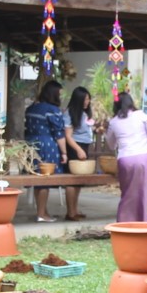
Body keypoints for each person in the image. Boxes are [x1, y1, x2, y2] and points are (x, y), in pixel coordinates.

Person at [106, 92, 147, 223]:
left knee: (128, 192)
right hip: (144, 158)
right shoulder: (142, 116)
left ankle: (124, 223)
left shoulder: (113, 122)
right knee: (144, 192)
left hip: (125, 160)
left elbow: (111, 145)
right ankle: (144, 223)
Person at [23, 79, 69, 222]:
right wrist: (64, 152)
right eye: (59, 94)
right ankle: (42, 214)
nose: (61, 97)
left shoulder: (31, 108)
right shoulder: (52, 110)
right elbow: (59, 133)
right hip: (46, 145)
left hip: (31, 144)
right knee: (45, 179)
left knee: (37, 179)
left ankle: (41, 211)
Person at [62, 86, 95, 221]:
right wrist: (78, 149)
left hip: (83, 145)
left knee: (79, 180)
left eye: (88, 99)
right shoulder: (70, 113)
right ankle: (70, 213)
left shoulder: (84, 113)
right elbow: (68, 136)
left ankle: (75, 210)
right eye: (85, 99)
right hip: (74, 147)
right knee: (72, 180)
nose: (87, 101)